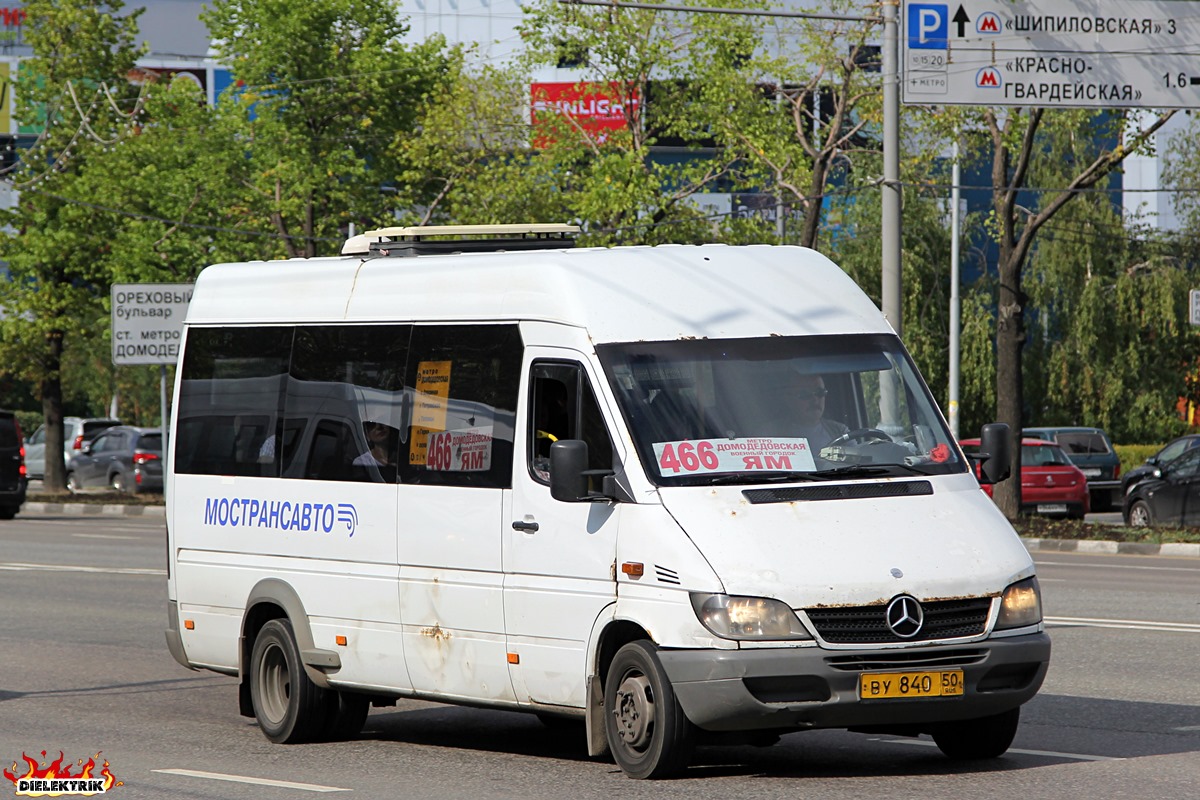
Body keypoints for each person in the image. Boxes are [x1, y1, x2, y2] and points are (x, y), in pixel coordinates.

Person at [787, 373, 848, 453]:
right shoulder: (773, 433)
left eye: (820, 393)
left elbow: (858, 460)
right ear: (789, 400)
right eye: (805, 394)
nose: (815, 400)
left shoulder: (840, 432)